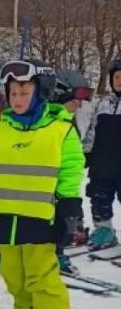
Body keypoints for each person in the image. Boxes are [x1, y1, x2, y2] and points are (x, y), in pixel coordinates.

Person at [0, 59, 84, 309]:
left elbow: (71, 173)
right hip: (3, 217)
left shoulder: (61, 131)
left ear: (39, 91)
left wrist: (69, 211)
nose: (17, 100)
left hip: (40, 218)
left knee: (41, 276)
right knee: (13, 274)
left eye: (24, 92)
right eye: (13, 93)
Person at [51, 68, 93, 266]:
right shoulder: (48, 125)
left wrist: (71, 206)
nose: (79, 104)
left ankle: (56, 251)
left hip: (60, 191)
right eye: (76, 98)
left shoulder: (68, 123)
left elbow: (71, 167)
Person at [82, 59, 121, 250]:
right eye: (117, 77)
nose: (120, 80)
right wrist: (86, 152)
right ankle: (104, 231)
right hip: (102, 164)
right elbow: (92, 131)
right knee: (99, 198)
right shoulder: (103, 103)